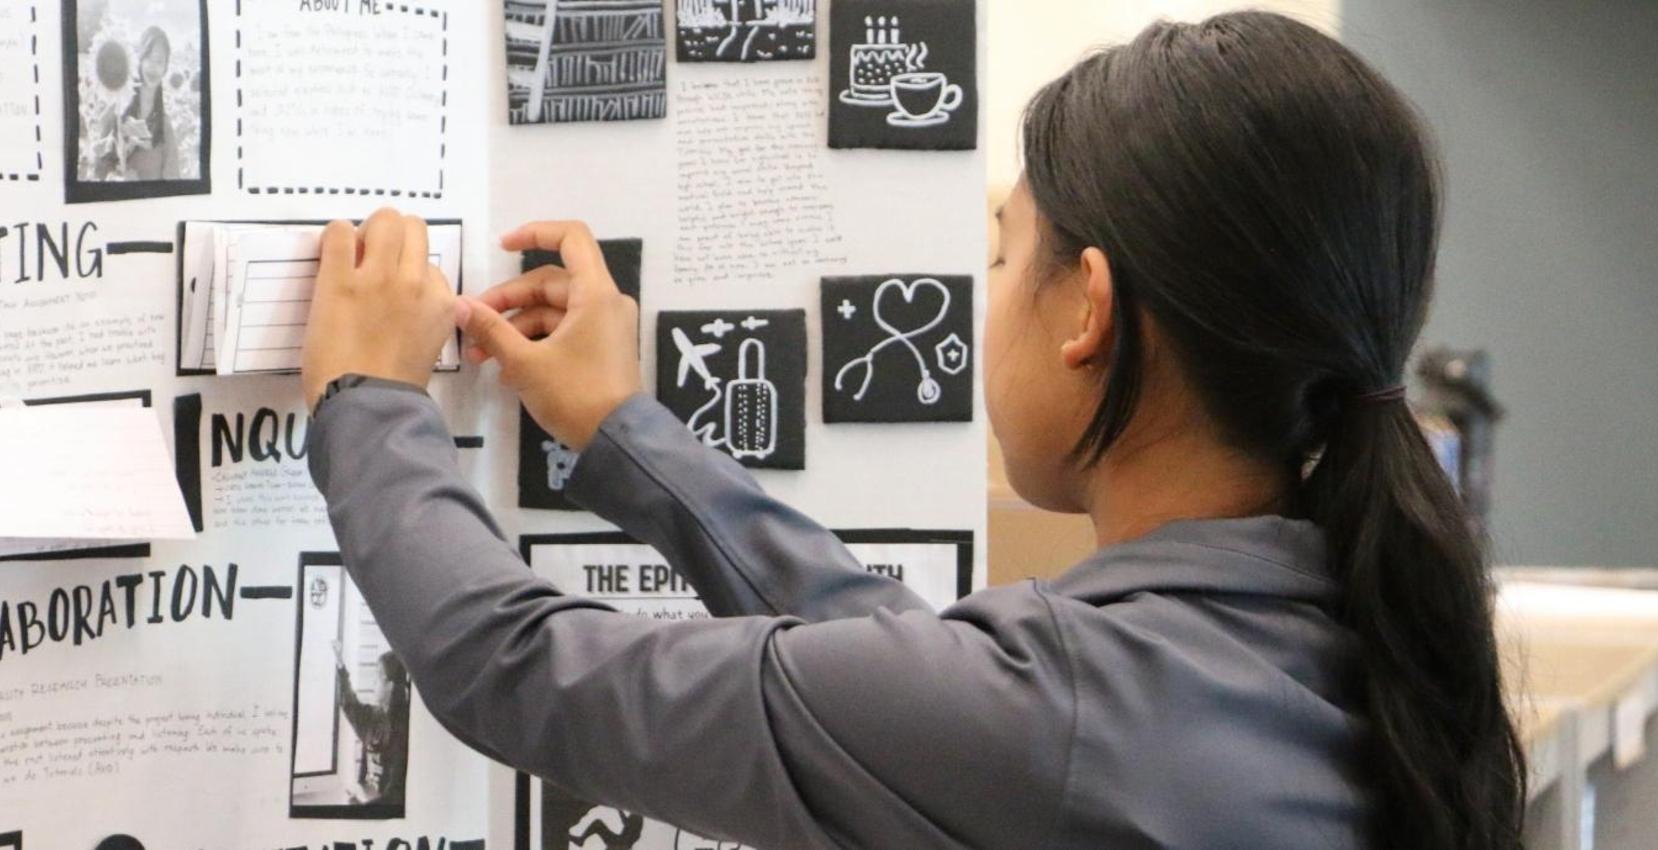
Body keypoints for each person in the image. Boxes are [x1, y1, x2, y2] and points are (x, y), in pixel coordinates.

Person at [300, 12, 1524, 850]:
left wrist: (369, 399)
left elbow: (518, 674)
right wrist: (625, 433)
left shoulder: (1070, 707)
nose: (985, 290)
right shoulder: (1309, 637)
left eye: (1003, 253)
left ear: (1086, 310)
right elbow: (914, 672)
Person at [93, 26, 180, 181]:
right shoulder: (116, 112)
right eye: (148, 58)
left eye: (159, 61)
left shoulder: (165, 128)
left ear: (166, 68)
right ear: (139, 60)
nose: (153, 67)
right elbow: (98, 172)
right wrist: (116, 178)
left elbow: (173, 185)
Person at [332, 643, 410, 808]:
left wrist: (360, 809)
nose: (373, 682)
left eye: (378, 676)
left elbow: (393, 798)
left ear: (391, 685)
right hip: (366, 799)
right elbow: (350, 705)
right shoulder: (373, 717)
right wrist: (341, 666)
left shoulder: (403, 732)